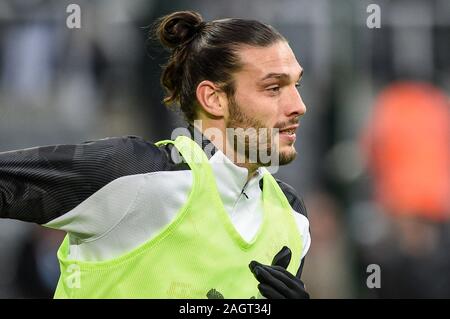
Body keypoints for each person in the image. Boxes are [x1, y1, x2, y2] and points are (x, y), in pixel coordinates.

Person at [0, 11, 311, 299]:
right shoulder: (133, 174)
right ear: (214, 99)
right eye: (273, 88)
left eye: (296, 84)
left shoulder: (292, 216)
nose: (299, 105)